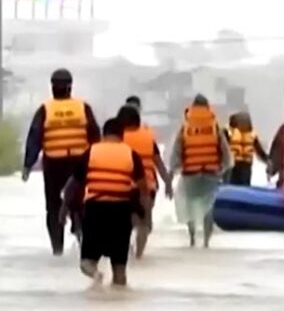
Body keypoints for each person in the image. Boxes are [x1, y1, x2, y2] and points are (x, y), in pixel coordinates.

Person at [22, 68, 101, 256]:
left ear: (52, 87)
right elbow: (95, 135)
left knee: (54, 206)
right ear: (70, 87)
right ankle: (81, 236)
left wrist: (27, 165)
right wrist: (98, 160)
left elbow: (35, 138)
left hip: (54, 164)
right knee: (81, 201)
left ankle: (57, 250)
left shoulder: (45, 109)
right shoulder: (83, 107)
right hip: (79, 163)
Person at [60, 118, 148, 287]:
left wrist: (64, 208)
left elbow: (72, 185)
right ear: (122, 135)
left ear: (103, 133)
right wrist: (143, 215)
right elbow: (143, 188)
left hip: (95, 211)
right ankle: (120, 300)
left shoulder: (91, 152)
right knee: (120, 269)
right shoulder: (131, 154)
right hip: (121, 212)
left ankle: (96, 276)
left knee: (86, 262)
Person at [168, 94, 231, 248]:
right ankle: (206, 242)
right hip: (211, 173)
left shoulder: (186, 127)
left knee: (189, 204)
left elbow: (177, 151)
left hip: (190, 173)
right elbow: (225, 151)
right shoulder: (214, 127)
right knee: (208, 208)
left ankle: (192, 238)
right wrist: (224, 168)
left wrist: (172, 171)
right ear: (208, 107)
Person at [116, 104, 173, 258]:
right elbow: (159, 164)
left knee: (125, 222)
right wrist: (168, 183)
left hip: (122, 187)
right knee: (144, 224)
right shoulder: (148, 138)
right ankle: (139, 255)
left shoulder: (117, 137)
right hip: (147, 188)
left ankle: (125, 253)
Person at [226, 111, 269, 186]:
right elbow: (259, 150)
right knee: (243, 186)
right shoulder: (251, 134)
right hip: (241, 165)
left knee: (231, 186)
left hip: (235, 165)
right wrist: (267, 160)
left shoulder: (229, 132)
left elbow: (259, 150)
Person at [268, 113, 284, 188]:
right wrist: (271, 159)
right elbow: (275, 144)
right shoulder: (282, 129)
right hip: (282, 162)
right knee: (282, 180)